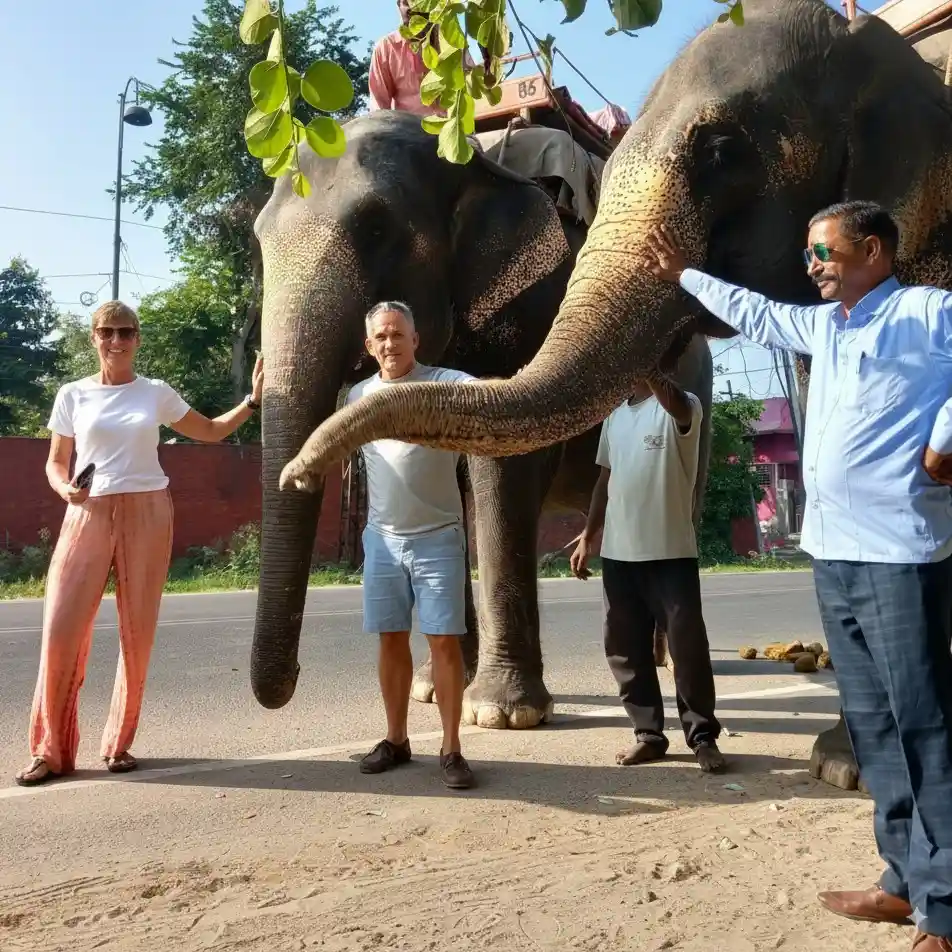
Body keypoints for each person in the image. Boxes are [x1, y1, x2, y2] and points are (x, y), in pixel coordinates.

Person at [641, 202, 952, 952]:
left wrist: (945, 442)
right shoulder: (823, 326)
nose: (812, 264)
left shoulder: (926, 312)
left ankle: (944, 909)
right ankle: (900, 882)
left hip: (901, 554)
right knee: (873, 726)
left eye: (825, 252)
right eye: (811, 253)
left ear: (873, 250)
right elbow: (752, 311)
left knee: (924, 727)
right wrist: (682, 274)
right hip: (834, 554)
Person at [15, 300, 264, 787]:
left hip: (148, 510)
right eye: (107, 331)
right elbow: (55, 460)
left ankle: (118, 743)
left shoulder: (155, 393)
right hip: (86, 511)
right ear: (94, 338)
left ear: (137, 339)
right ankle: (50, 750)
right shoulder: (72, 394)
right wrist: (64, 488)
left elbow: (210, 431)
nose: (116, 340)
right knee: (61, 628)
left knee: (137, 632)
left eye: (125, 332)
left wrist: (253, 401)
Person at [348, 301, 476, 790]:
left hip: (439, 537)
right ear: (369, 345)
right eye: (380, 336)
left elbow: (484, 398)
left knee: (444, 642)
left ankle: (451, 748)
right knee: (390, 638)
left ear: (415, 339)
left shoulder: (447, 382)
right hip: (382, 540)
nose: (389, 344)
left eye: (398, 334)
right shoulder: (358, 396)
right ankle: (396, 740)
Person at [569, 376, 726, 773]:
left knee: (687, 649)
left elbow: (676, 404)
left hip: (671, 552)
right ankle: (649, 735)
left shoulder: (682, 404)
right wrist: (589, 536)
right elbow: (605, 480)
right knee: (625, 650)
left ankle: (703, 737)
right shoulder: (615, 416)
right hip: (619, 555)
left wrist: (648, 362)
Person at [369, 0, 476, 116]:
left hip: (450, 126)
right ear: (398, 6)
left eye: (417, 2)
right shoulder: (386, 48)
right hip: (408, 130)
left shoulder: (451, 39)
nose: (411, 8)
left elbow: (471, 84)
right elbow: (379, 108)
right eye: (405, 2)